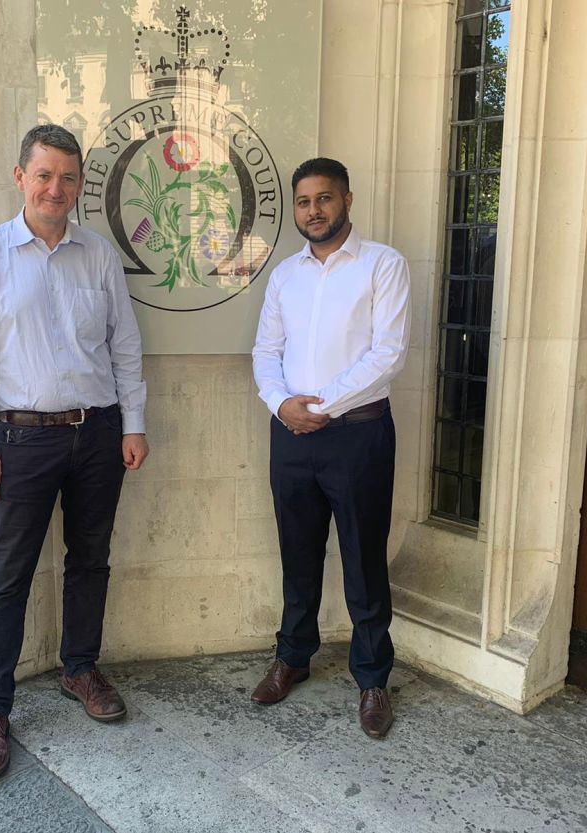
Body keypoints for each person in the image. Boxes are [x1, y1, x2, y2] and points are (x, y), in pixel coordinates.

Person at [0, 124, 149, 780]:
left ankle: (79, 667)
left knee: (91, 559)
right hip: (20, 437)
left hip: (96, 432)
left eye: (68, 178)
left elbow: (124, 343)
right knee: (7, 575)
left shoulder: (97, 255)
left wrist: (132, 422)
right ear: (20, 177)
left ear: (79, 185)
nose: (56, 189)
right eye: (44, 176)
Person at [251, 157, 411, 739]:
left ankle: (372, 678)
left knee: (364, 558)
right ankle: (293, 657)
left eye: (324, 199)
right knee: (297, 550)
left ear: (347, 199)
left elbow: (388, 354)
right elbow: (266, 350)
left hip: (358, 435)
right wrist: (282, 404)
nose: (312, 210)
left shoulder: (382, 266)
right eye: (303, 201)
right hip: (290, 434)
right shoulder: (286, 276)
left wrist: (321, 406)